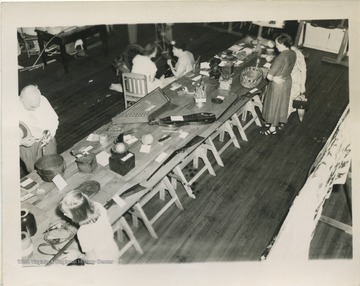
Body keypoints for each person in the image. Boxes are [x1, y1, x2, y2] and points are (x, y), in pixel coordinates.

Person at [59, 190, 119, 264]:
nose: (64, 215)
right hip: (113, 250)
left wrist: (77, 254)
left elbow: (92, 260)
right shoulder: (98, 206)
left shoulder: (83, 232)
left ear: (76, 215)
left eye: (66, 213)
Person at [261, 33, 296, 135]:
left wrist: (273, 77)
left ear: (282, 44)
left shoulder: (280, 57)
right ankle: (270, 122)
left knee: (274, 104)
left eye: (277, 44)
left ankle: (272, 128)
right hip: (287, 80)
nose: (276, 46)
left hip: (278, 84)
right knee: (280, 104)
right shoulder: (292, 53)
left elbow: (269, 77)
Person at [19, 84, 59, 173]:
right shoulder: (11, 109)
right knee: (34, 171)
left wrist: (51, 132)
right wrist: (20, 142)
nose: (37, 108)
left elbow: (54, 119)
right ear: (21, 100)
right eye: (32, 107)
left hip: (48, 139)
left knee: (52, 166)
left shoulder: (42, 99)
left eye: (38, 105)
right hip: (28, 146)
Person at [288, 46, 307, 117]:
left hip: (294, 81)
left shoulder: (298, 55)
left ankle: (284, 119)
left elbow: (303, 71)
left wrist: (302, 85)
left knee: (290, 99)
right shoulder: (285, 51)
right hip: (287, 78)